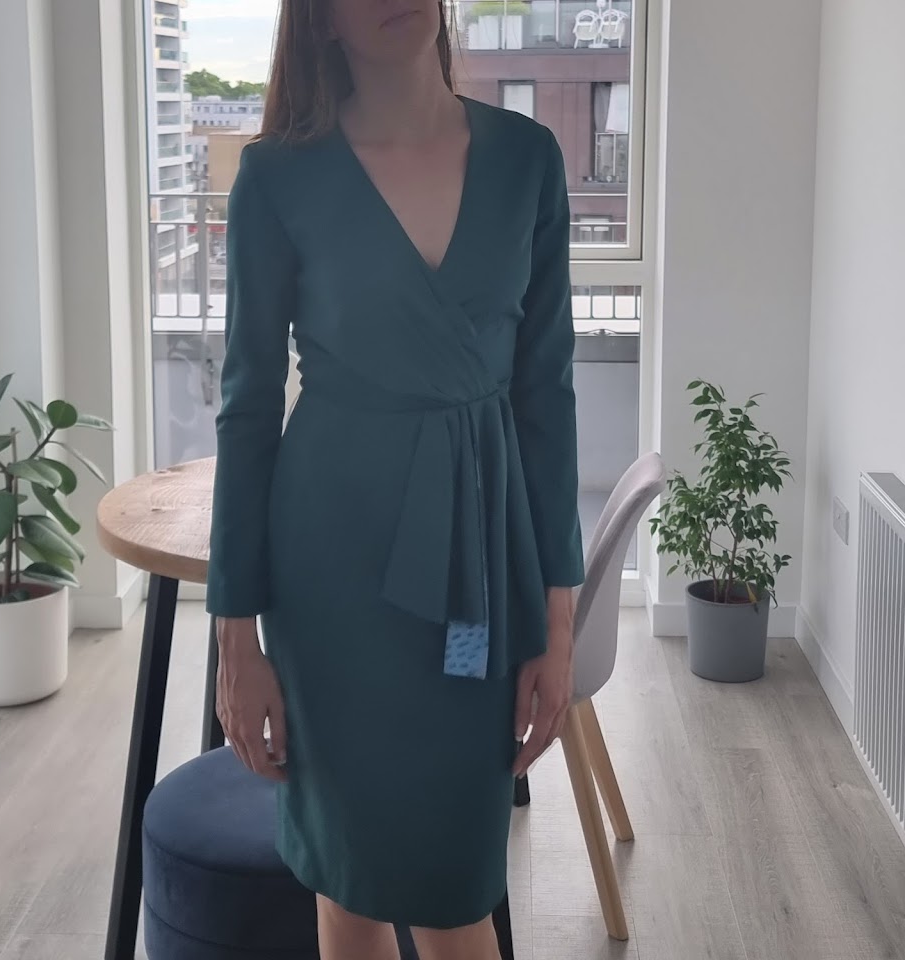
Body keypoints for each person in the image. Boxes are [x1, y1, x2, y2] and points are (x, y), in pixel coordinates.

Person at [206, 2, 584, 958]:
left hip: (476, 580)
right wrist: (236, 640)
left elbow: (546, 399)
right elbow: (247, 412)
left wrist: (559, 623)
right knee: (349, 881)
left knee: (457, 892)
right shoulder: (277, 178)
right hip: (330, 584)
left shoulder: (527, 160)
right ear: (323, 19)